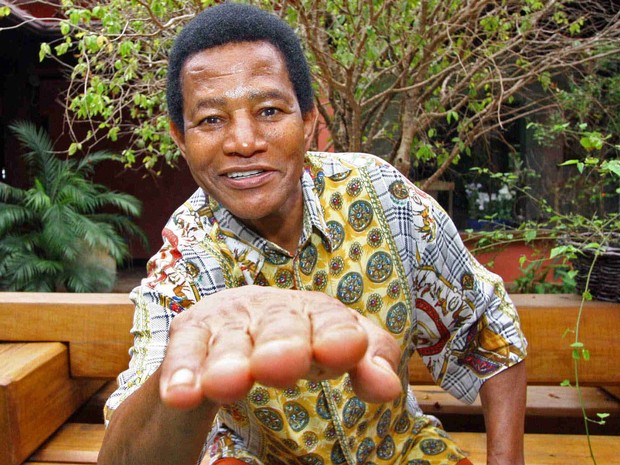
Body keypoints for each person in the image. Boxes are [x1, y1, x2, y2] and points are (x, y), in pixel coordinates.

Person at [99, 3, 527, 465]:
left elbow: (487, 325)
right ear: (181, 139)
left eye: (268, 110)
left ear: (306, 121)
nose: (243, 142)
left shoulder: (383, 195)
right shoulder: (184, 262)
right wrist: (194, 354)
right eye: (210, 120)